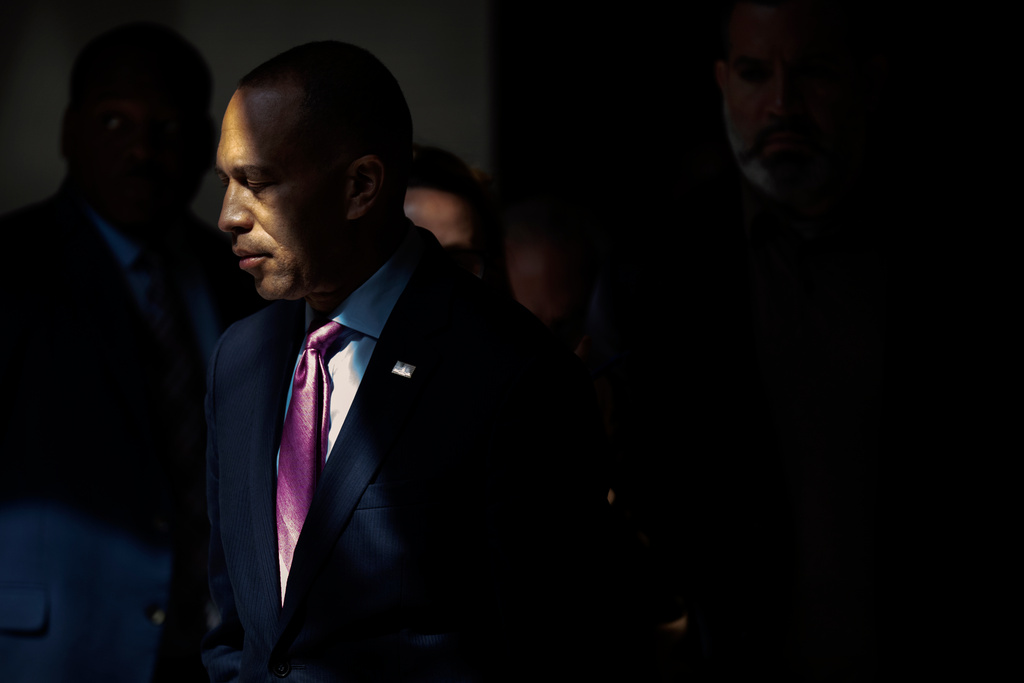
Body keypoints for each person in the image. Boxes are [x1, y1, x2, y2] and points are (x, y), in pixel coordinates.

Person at [202, 41, 623, 681]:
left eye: (258, 183)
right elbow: (239, 626)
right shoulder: (239, 360)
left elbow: (559, 644)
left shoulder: (513, 371)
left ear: (361, 186)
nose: (228, 216)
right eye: (226, 182)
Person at [633, 1, 895, 680]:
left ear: (870, 82)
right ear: (723, 82)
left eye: (813, 72)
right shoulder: (661, 269)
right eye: (755, 73)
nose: (783, 104)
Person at [0, 23, 261, 683]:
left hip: (221, 655)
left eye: (167, 127)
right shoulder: (9, 267)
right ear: (70, 131)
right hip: (54, 654)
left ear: (206, 142)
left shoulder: (246, 277)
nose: (142, 149)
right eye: (114, 121)